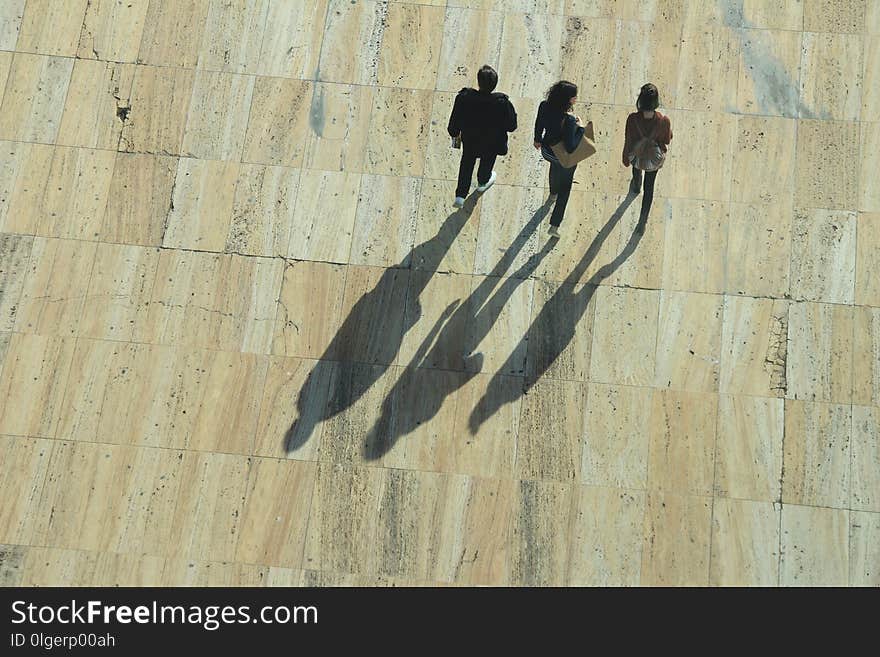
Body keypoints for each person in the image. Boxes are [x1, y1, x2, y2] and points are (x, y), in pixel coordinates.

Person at [447, 65, 518, 208]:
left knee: (467, 163)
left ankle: (460, 195)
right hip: (492, 142)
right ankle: (482, 182)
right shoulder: (502, 103)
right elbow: (512, 126)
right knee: (487, 162)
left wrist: (454, 134)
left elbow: (454, 121)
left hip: (470, 139)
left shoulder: (464, 98)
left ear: (479, 82)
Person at [533, 80, 584, 238]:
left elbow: (539, 124)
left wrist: (537, 139)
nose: (576, 98)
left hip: (547, 151)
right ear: (567, 99)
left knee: (554, 169)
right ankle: (554, 225)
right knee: (566, 189)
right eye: (574, 96)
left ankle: (552, 192)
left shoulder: (544, 106)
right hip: (564, 159)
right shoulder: (569, 120)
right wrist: (580, 129)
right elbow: (570, 147)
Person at [622, 83, 673, 230]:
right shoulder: (664, 121)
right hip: (653, 160)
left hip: (636, 156)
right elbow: (667, 140)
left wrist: (625, 157)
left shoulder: (632, 119)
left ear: (640, 101)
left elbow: (628, 139)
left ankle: (636, 186)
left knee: (636, 170)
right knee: (649, 188)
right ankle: (642, 222)